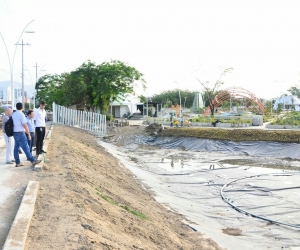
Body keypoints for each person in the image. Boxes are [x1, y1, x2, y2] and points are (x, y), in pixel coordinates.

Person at [12, 102, 41, 167]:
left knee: (16, 148)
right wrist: (28, 134)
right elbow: (24, 124)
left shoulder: (13, 114)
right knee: (26, 147)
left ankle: (17, 162)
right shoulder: (21, 114)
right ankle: (33, 160)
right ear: (22, 107)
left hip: (15, 133)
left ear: (16, 107)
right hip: (20, 133)